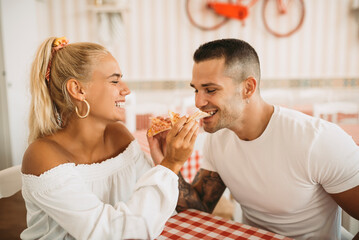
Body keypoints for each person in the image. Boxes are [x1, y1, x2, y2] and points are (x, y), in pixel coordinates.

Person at [175, 38, 359, 239]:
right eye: (196, 89)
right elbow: (198, 212)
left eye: (210, 90)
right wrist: (169, 163)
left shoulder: (318, 140)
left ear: (248, 88)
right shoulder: (218, 137)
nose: (198, 102)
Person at [20, 37, 199, 240]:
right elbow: (111, 233)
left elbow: (150, 211)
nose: (126, 90)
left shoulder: (118, 134)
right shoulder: (42, 156)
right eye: (114, 81)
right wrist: (169, 165)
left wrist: (161, 163)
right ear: (78, 90)